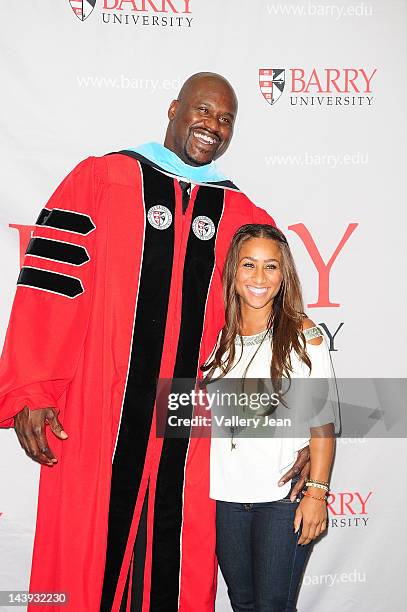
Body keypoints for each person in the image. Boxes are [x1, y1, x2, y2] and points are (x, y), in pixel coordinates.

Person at [0, 73, 310, 612]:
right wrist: (33, 391)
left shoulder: (242, 215)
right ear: (174, 109)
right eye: (203, 111)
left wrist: (303, 426)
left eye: (225, 119)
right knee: (85, 559)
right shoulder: (101, 180)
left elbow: (278, 328)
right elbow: (49, 290)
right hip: (99, 414)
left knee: (178, 556)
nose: (212, 125)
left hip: (189, 428)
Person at [202, 224, 338, 611]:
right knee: (242, 603)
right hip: (225, 498)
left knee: (273, 606)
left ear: (284, 275)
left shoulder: (302, 335)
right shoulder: (217, 337)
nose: (259, 278)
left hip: (282, 500)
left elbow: (322, 424)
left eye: (271, 267)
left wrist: (317, 493)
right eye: (249, 265)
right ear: (233, 272)